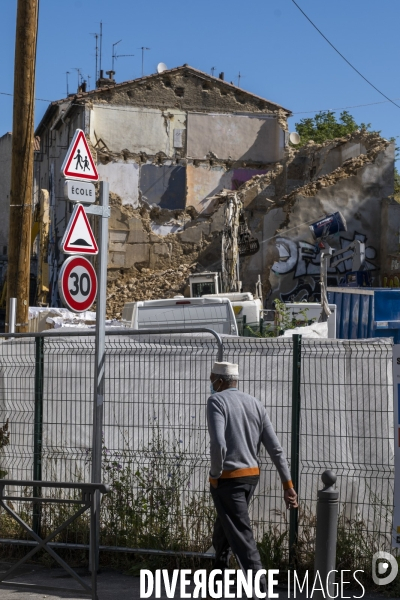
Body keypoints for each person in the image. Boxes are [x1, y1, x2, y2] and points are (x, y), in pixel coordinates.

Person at [207, 361, 298, 596]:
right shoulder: (255, 404)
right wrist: (287, 485)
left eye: (211, 378)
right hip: (250, 477)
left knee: (242, 539)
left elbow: (218, 443)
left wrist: (215, 474)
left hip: (228, 479)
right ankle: (217, 584)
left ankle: (261, 591)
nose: (210, 383)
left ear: (219, 380)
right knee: (224, 530)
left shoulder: (216, 401)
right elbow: (275, 449)